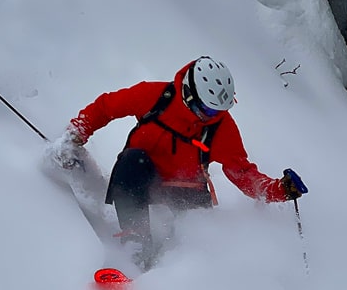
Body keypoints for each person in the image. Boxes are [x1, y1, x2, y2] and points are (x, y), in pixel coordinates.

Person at [52, 56, 307, 266]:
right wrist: (78, 132)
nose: (212, 117)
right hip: (140, 177)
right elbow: (107, 107)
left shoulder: (221, 128)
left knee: (197, 246)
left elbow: (242, 173)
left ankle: (184, 275)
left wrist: (278, 190)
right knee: (132, 160)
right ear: (188, 93)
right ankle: (136, 244)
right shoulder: (155, 97)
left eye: (219, 111)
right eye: (207, 110)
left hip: (187, 193)